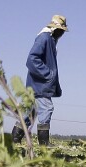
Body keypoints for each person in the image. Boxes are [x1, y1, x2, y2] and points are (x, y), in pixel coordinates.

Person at [14, 13, 68, 146]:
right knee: (46, 108)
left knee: (29, 112)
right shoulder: (44, 38)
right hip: (40, 85)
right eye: (61, 31)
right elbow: (32, 60)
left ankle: (14, 140)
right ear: (56, 29)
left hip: (36, 84)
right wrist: (48, 74)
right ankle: (44, 144)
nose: (62, 34)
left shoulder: (49, 40)